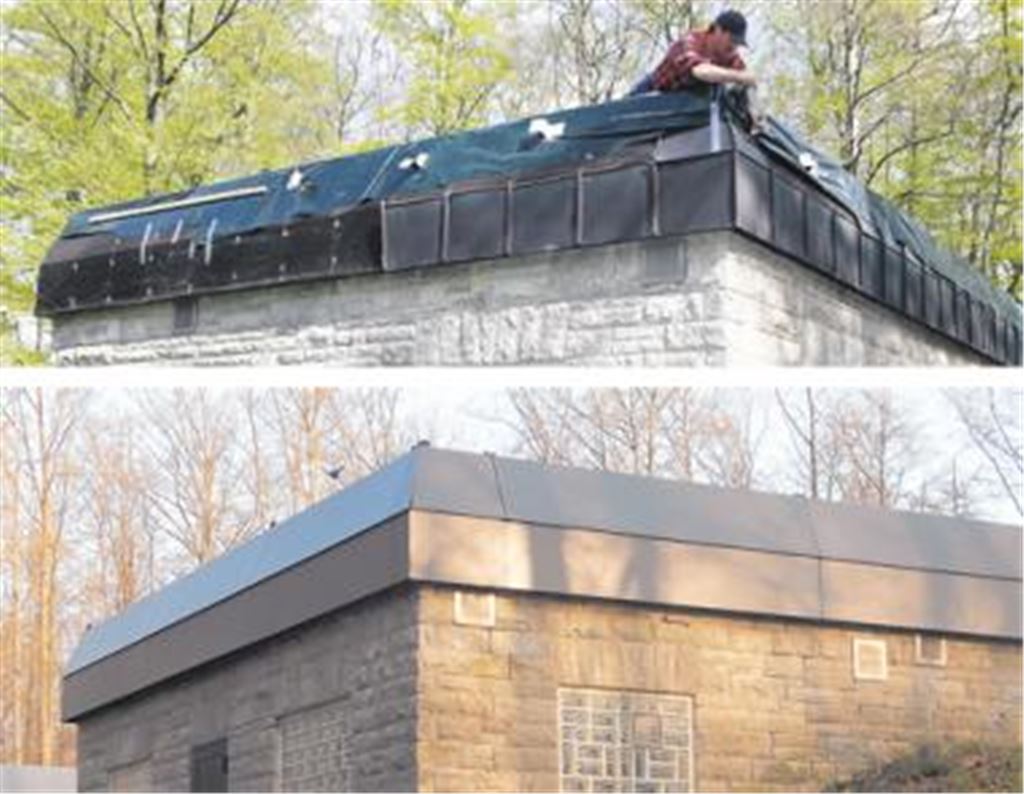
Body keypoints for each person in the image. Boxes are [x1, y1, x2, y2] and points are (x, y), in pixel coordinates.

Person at [628, 10, 764, 131]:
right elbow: (700, 71)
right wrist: (739, 77)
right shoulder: (690, 41)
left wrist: (754, 110)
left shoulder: (731, 57)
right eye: (732, 40)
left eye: (738, 43)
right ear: (717, 30)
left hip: (685, 107)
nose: (734, 47)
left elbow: (748, 82)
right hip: (654, 93)